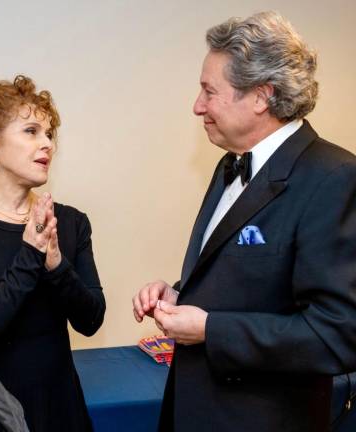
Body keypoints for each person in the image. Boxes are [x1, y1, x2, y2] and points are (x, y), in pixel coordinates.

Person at [132, 11, 356, 432]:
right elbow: (249, 281)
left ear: (260, 96)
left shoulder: (334, 177)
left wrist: (211, 329)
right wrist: (180, 294)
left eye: (208, 91)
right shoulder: (228, 166)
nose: (197, 106)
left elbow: (338, 334)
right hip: (194, 409)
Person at [0, 75, 106, 432]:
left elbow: (91, 321)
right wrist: (30, 255)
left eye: (49, 134)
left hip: (64, 408)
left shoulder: (71, 222)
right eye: (31, 131)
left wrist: (56, 265)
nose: (47, 144)